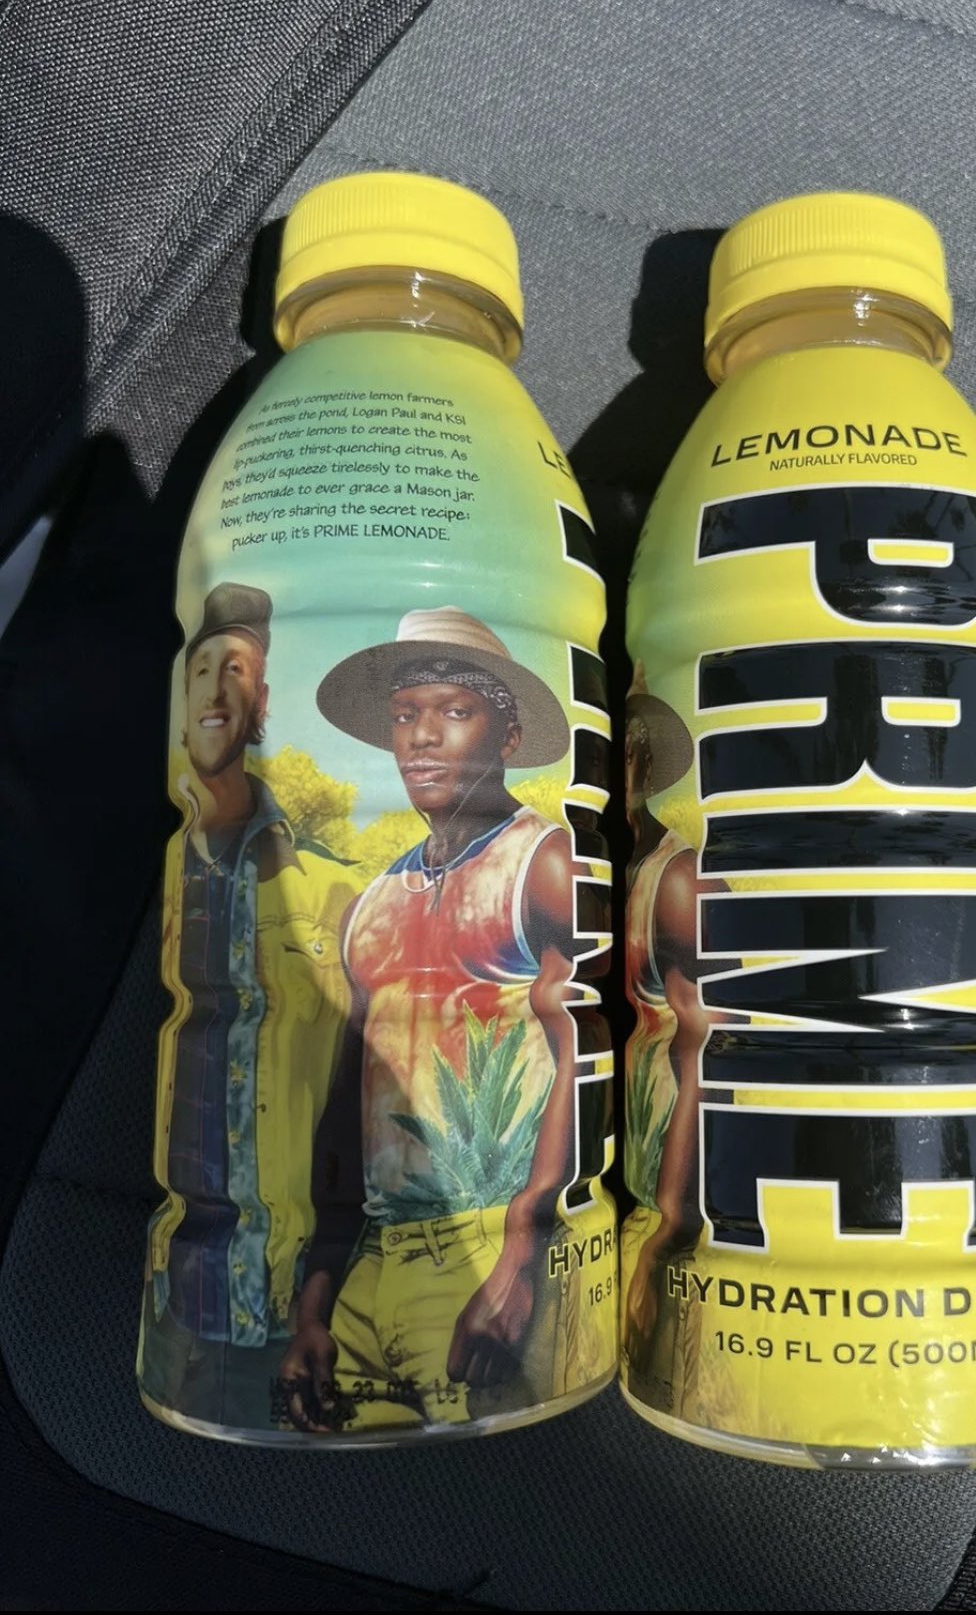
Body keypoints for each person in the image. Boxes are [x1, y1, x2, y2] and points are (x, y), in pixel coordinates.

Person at [280, 607, 602, 1431]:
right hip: (368, 1272)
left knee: (472, 1476)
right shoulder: (373, 903)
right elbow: (348, 1110)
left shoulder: (543, 864)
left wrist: (522, 1257)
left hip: (478, 1260)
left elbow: (587, 1057)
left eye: (455, 711)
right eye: (405, 714)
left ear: (508, 733)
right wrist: (317, 1301)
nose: (423, 736)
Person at [141, 582, 358, 1428]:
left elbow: (349, 1129)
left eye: (236, 669)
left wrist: (316, 1309)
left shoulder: (332, 892)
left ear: (262, 703)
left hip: (281, 1318)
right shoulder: (155, 873)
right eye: (200, 668)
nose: (216, 689)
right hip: (170, 1302)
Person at [620, 667, 730, 1403]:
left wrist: (666, 1230)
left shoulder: (677, 876)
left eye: (631, 750)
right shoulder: (616, 867)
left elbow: (703, 1049)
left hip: (677, 1177)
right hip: (638, 1166)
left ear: (646, 762)